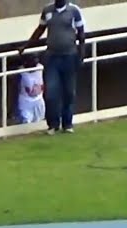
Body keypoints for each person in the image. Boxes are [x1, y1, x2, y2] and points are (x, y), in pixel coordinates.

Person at [17, 0, 86, 134]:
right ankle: (53, 124)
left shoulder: (74, 11)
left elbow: (81, 33)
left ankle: (67, 124)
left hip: (69, 56)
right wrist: (26, 46)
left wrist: (81, 55)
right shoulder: (47, 10)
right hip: (52, 57)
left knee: (69, 92)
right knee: (51, 93)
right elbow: (40, 30)